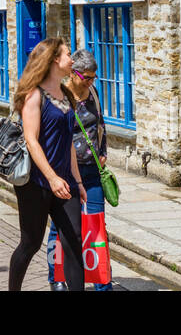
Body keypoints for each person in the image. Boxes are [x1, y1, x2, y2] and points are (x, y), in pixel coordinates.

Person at [8, 38, 85, 291]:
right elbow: (31, 141)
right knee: (30, 244)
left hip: (65, 183)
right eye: (67, 55)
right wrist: (52, 178)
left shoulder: (66, 95)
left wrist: (78, 181)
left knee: (74, 241)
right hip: (37, 183)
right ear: (54, 60)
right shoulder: (34, 95)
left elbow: (69, 143)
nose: (72, 60)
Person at [47, 50, 112, 290]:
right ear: (73, 74)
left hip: (92, 171)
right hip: (65, 172)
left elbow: (100, 124)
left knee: (96, 225)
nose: (90, 81)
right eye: (86, 77)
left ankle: (101, 281)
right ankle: (57, 278)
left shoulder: (93, 93)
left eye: (93, 77)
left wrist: (103, 151)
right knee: (61, 227)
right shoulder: (59, 98)